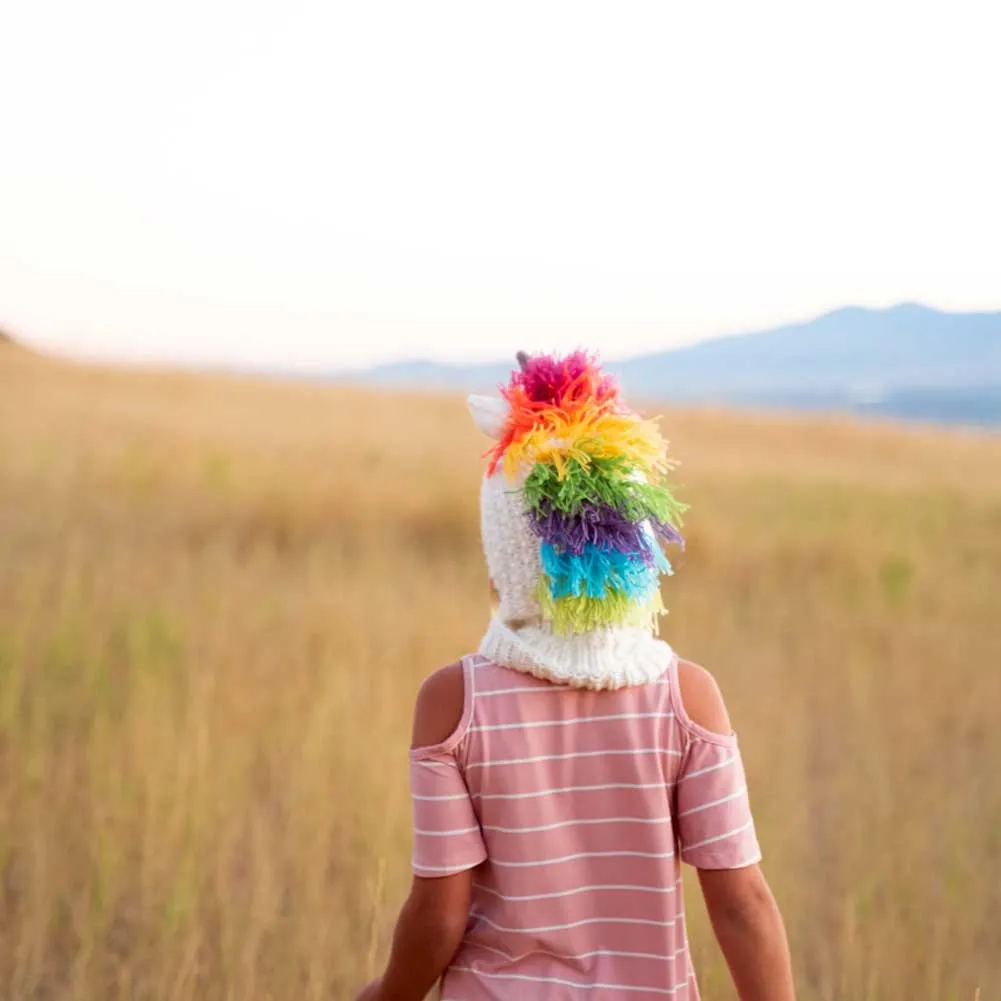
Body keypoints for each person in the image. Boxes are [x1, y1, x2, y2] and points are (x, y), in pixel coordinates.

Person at [356, 352, 795, 1001]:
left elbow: (439, 913)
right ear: (630, 545)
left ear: (507, 556)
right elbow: (742, 902)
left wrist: (385, 994)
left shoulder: (454, 701)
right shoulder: (687, 698)